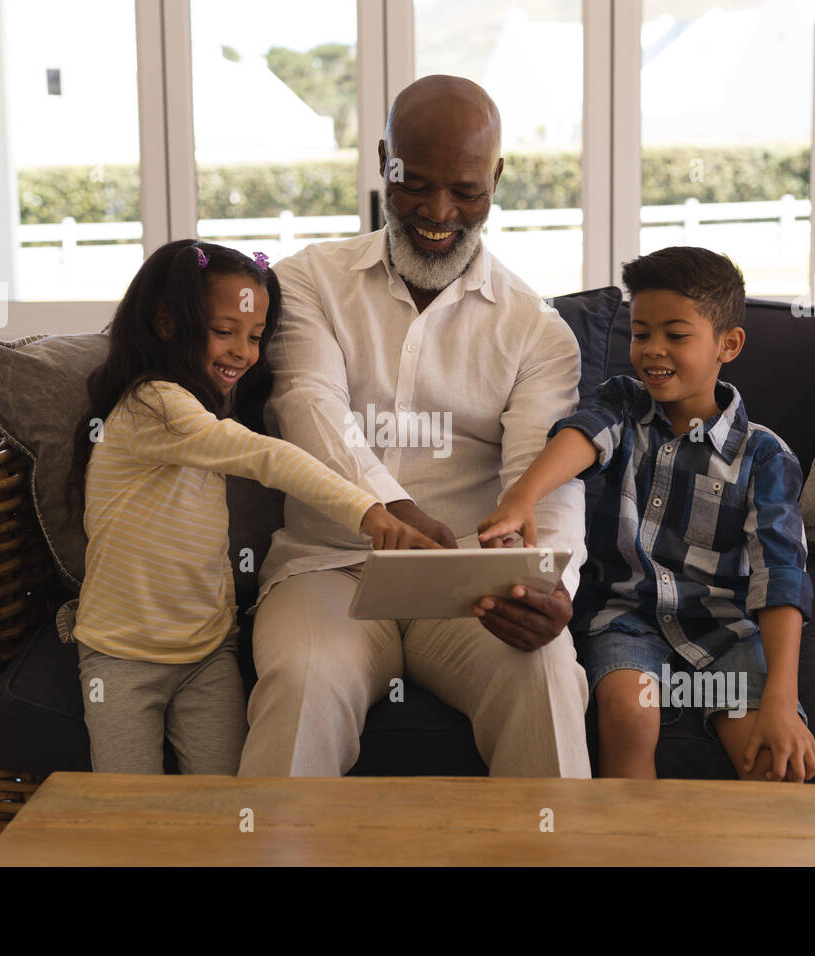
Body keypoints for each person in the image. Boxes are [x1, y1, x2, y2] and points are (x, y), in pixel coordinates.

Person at [238, 76, 592, 778]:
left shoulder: (536, 330)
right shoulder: (305, 281)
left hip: (469, 581)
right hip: (327, 567)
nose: (438, 212)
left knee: (546, 672)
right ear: (382, 160)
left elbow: (542, 476)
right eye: (415, 183)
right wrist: (386, 510)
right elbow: (310, 405)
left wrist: (552, 588)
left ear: (496, 177)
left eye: (466, 191)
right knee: (304, 681)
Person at [65, 239, 437, 775]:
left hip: (207, 654)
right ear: (167, 324)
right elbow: (267, 457)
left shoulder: (203, 404)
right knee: (128, 815)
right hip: (122, 658)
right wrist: (371, 511)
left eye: (256, 336)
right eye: (224, 331)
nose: (243, 350)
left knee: (230, 808)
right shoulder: (155, 405)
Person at [478, 246, 815, 782]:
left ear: (728, 344)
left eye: (676, 335)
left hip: (725, 631)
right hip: (625, 621)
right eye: (641, 333)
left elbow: (780, 579)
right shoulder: (622, 404)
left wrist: (781, 698)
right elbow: (584, 436)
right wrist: (523, 495)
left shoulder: (765, 457)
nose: (653, 350)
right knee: (630, 712)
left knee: (770, 759)